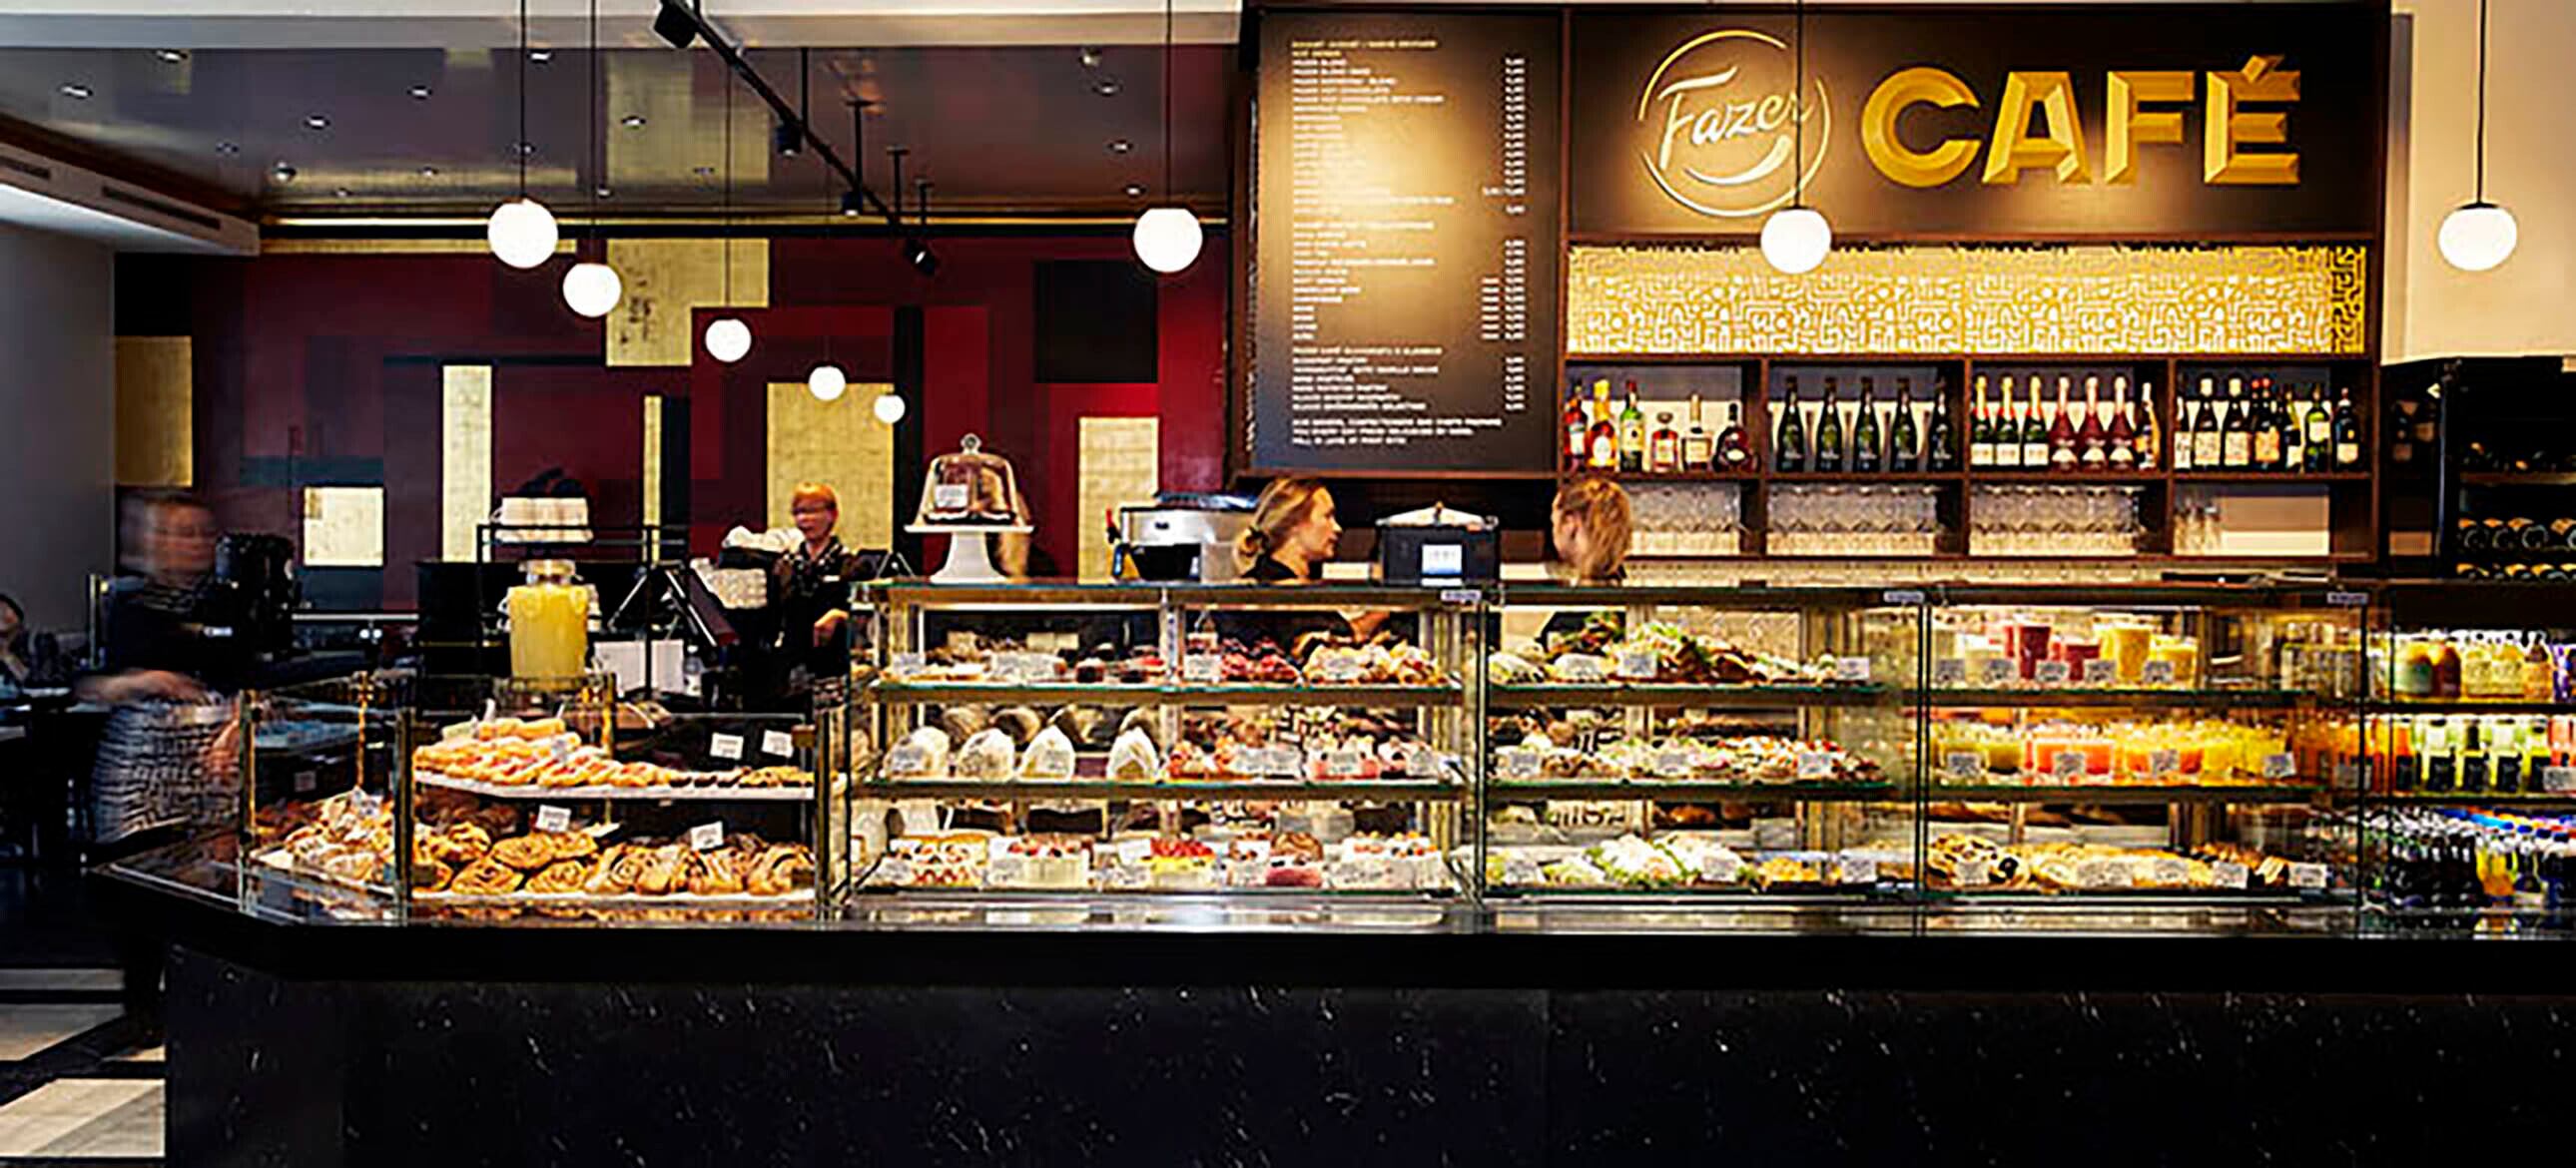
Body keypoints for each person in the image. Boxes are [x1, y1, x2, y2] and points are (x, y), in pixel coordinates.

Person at [769, 482, 857, 697]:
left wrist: (840, 616)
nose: (804, 519)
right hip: (792, 671)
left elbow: (867, 620)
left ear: (833, 515)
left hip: (835, 668)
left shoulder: (851, 565)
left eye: (813, 511)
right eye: (799, 512)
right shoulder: (784, 566)